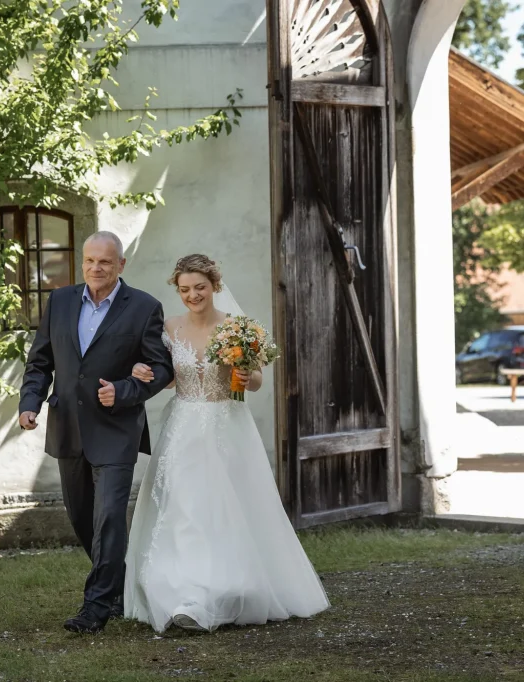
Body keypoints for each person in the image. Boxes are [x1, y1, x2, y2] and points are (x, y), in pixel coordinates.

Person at [124, 254, 329, 633]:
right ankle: (183, 594)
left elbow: (255, 383)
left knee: (229, 504)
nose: (192, 295)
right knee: (184, 507)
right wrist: (141, 370)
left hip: (226, 424)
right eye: (184, 289)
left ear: (214, 285)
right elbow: (167, 379)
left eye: (199, 287)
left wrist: (246, 374)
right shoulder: (170, 327)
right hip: (183, 426)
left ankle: (227, 587)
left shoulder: (237, 327)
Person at [18, 230, 174, 634]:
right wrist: (30, 403)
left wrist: (124, 391)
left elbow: (161, 369)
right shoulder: (61, 302)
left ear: (121, 264)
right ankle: (119, 588)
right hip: (67, 425)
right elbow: (40, 362)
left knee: (108, 519)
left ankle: (96, 608)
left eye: (105, 261)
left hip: (117, 429)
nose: (95, 268)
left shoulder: (144, 307)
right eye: (89, 260)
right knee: (83, 519)